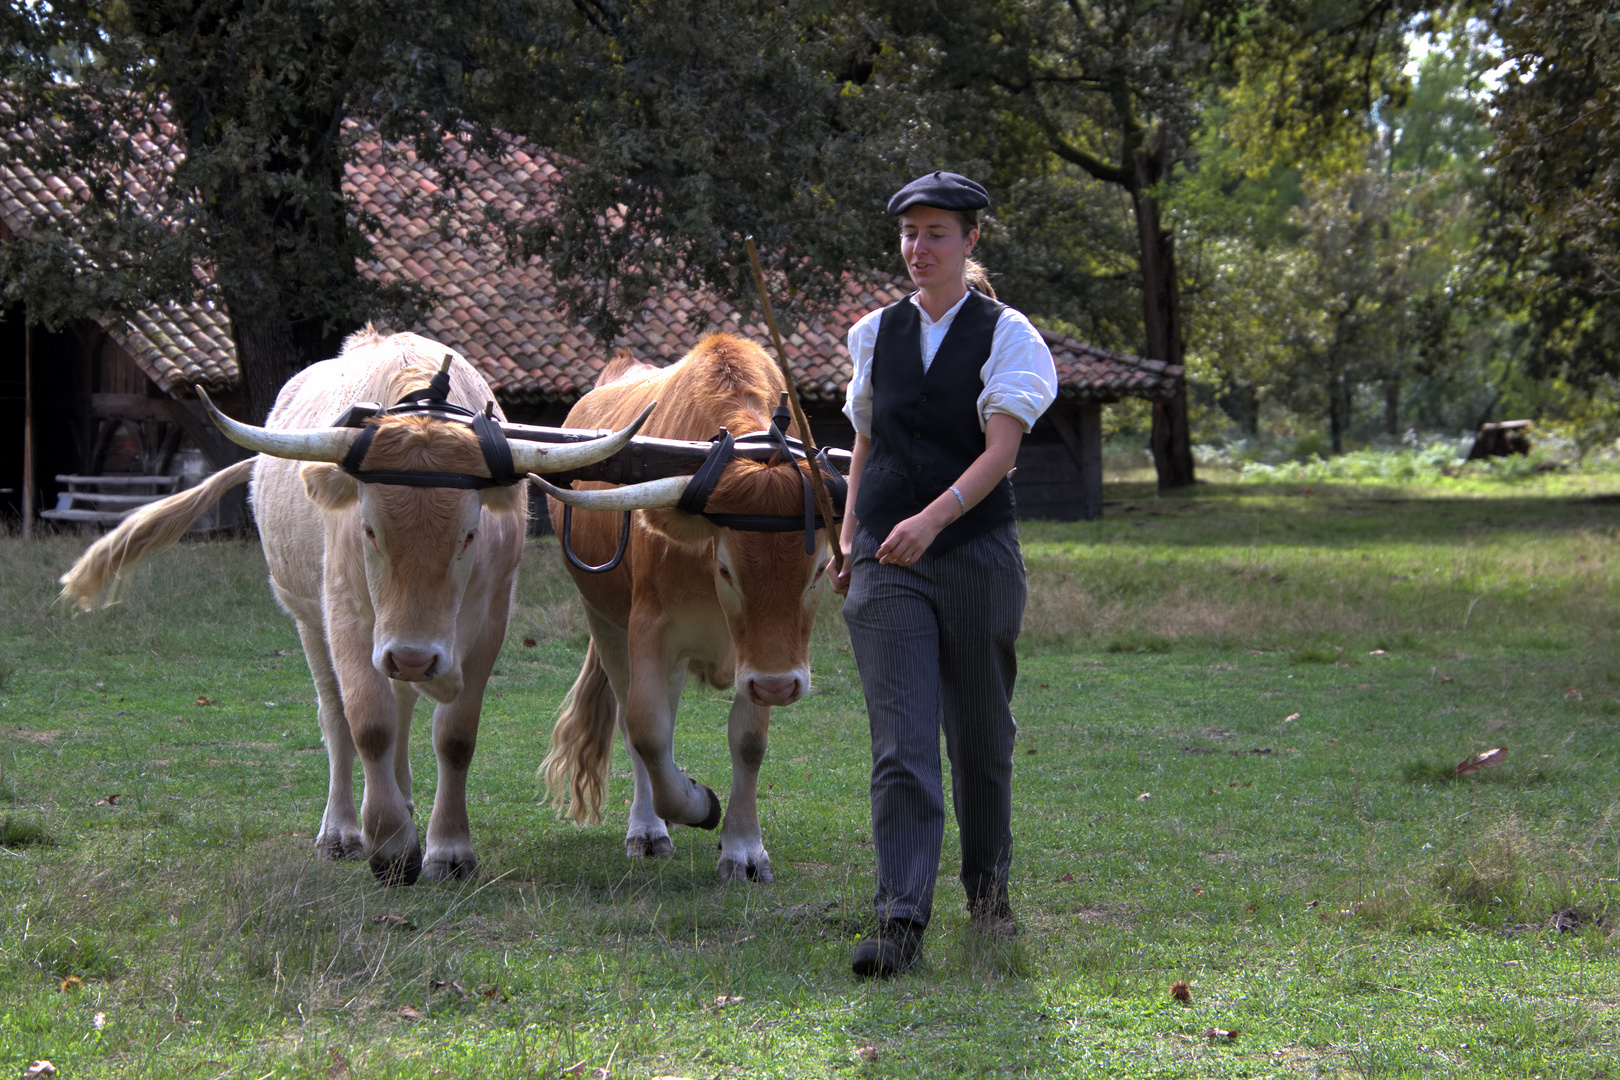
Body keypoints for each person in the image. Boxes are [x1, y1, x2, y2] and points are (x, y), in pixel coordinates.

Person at [832, 170, 1057, 978]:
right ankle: (900, 920)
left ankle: (989, 893)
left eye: (935, 233)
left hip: (975, 557)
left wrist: (932, 521)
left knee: (980, 738)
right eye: (908, 234)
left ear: (970, 241)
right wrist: (851, 532)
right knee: (901, 742)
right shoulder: (874, 334)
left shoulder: (1009, 336)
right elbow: (866, 442)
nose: (917, 249)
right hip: (887, 561)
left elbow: (1001, 452)